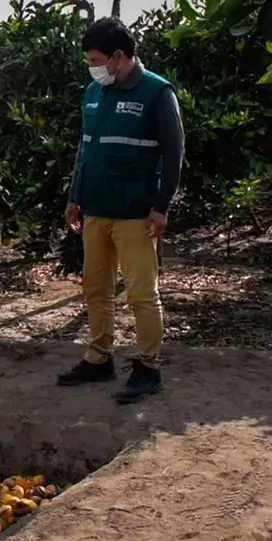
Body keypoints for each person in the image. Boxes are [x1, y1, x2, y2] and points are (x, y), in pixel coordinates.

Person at [57, 18, 185, 404]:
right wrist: (75, 195)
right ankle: (99, 358)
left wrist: (161, 207)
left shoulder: (157, 92)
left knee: (141, 294)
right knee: (95, 288)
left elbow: (174, 152)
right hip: (96, 208)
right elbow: (85, 148)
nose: (92, 68)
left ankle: (148, 367)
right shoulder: (94, 92)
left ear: (118, 56)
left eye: (96, 60)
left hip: (136, 213)